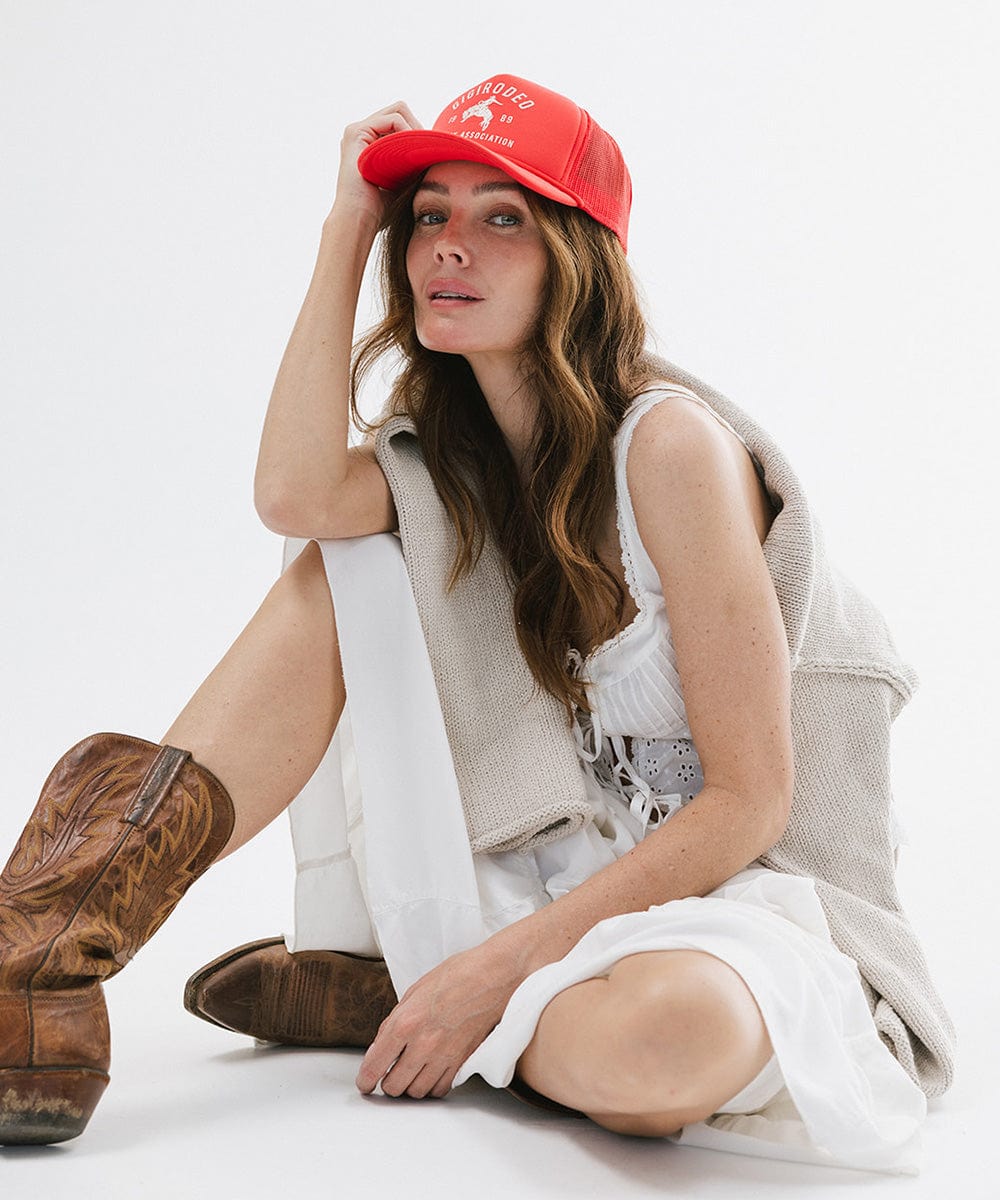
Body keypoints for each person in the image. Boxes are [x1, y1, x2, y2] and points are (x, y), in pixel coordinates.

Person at [0, 73, 953, 1170]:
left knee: (661, 1046)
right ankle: (39, 953)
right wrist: (345, 229)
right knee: (349, 560)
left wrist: (492, 974)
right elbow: (294, 495)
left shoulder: (669, 449)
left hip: (737, 894)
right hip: (541, 869)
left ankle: (412, 993)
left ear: (576, 259)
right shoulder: (452, 466)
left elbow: (751, 801)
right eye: (427, 216)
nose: (449, 244)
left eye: (504, 218)